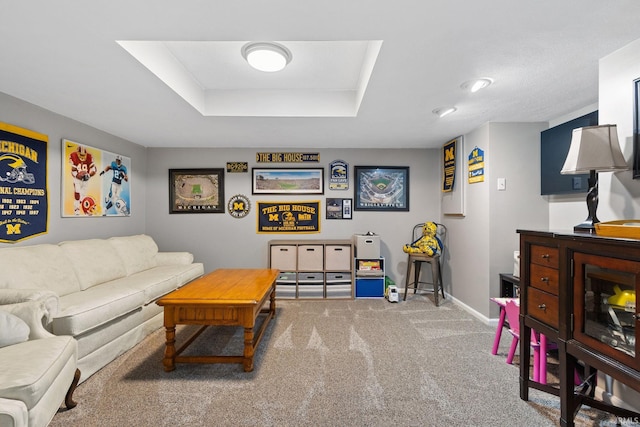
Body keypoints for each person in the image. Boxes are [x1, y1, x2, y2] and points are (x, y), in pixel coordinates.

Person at [68, 146, 97, 215]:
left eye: (83, 155)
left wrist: (89, 175)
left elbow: (94, 170)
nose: (82, 156)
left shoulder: (89, 157)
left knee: (83, 196)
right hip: (77, 179)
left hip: (85, 180)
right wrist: (79, 176)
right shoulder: (74, 156)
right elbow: (73, 171)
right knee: (77, 192)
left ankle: (84, 209)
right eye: (80, 154)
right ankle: (76, 209)